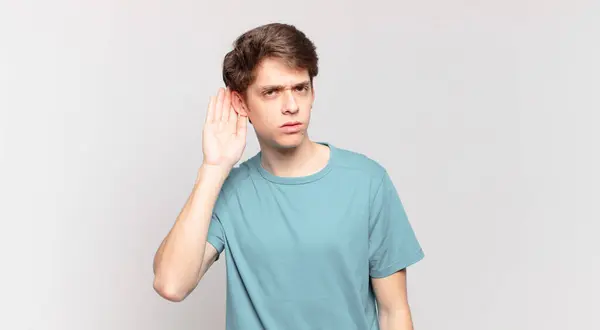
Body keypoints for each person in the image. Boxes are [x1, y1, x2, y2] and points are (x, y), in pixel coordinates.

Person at [152, 22, 425, 330]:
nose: (292, 106)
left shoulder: (367, 182)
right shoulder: (229, 191)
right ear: (241, 103)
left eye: (300, 88)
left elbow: (394, 312)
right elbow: (171, 284)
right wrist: (213, 168)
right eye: (271, 92)